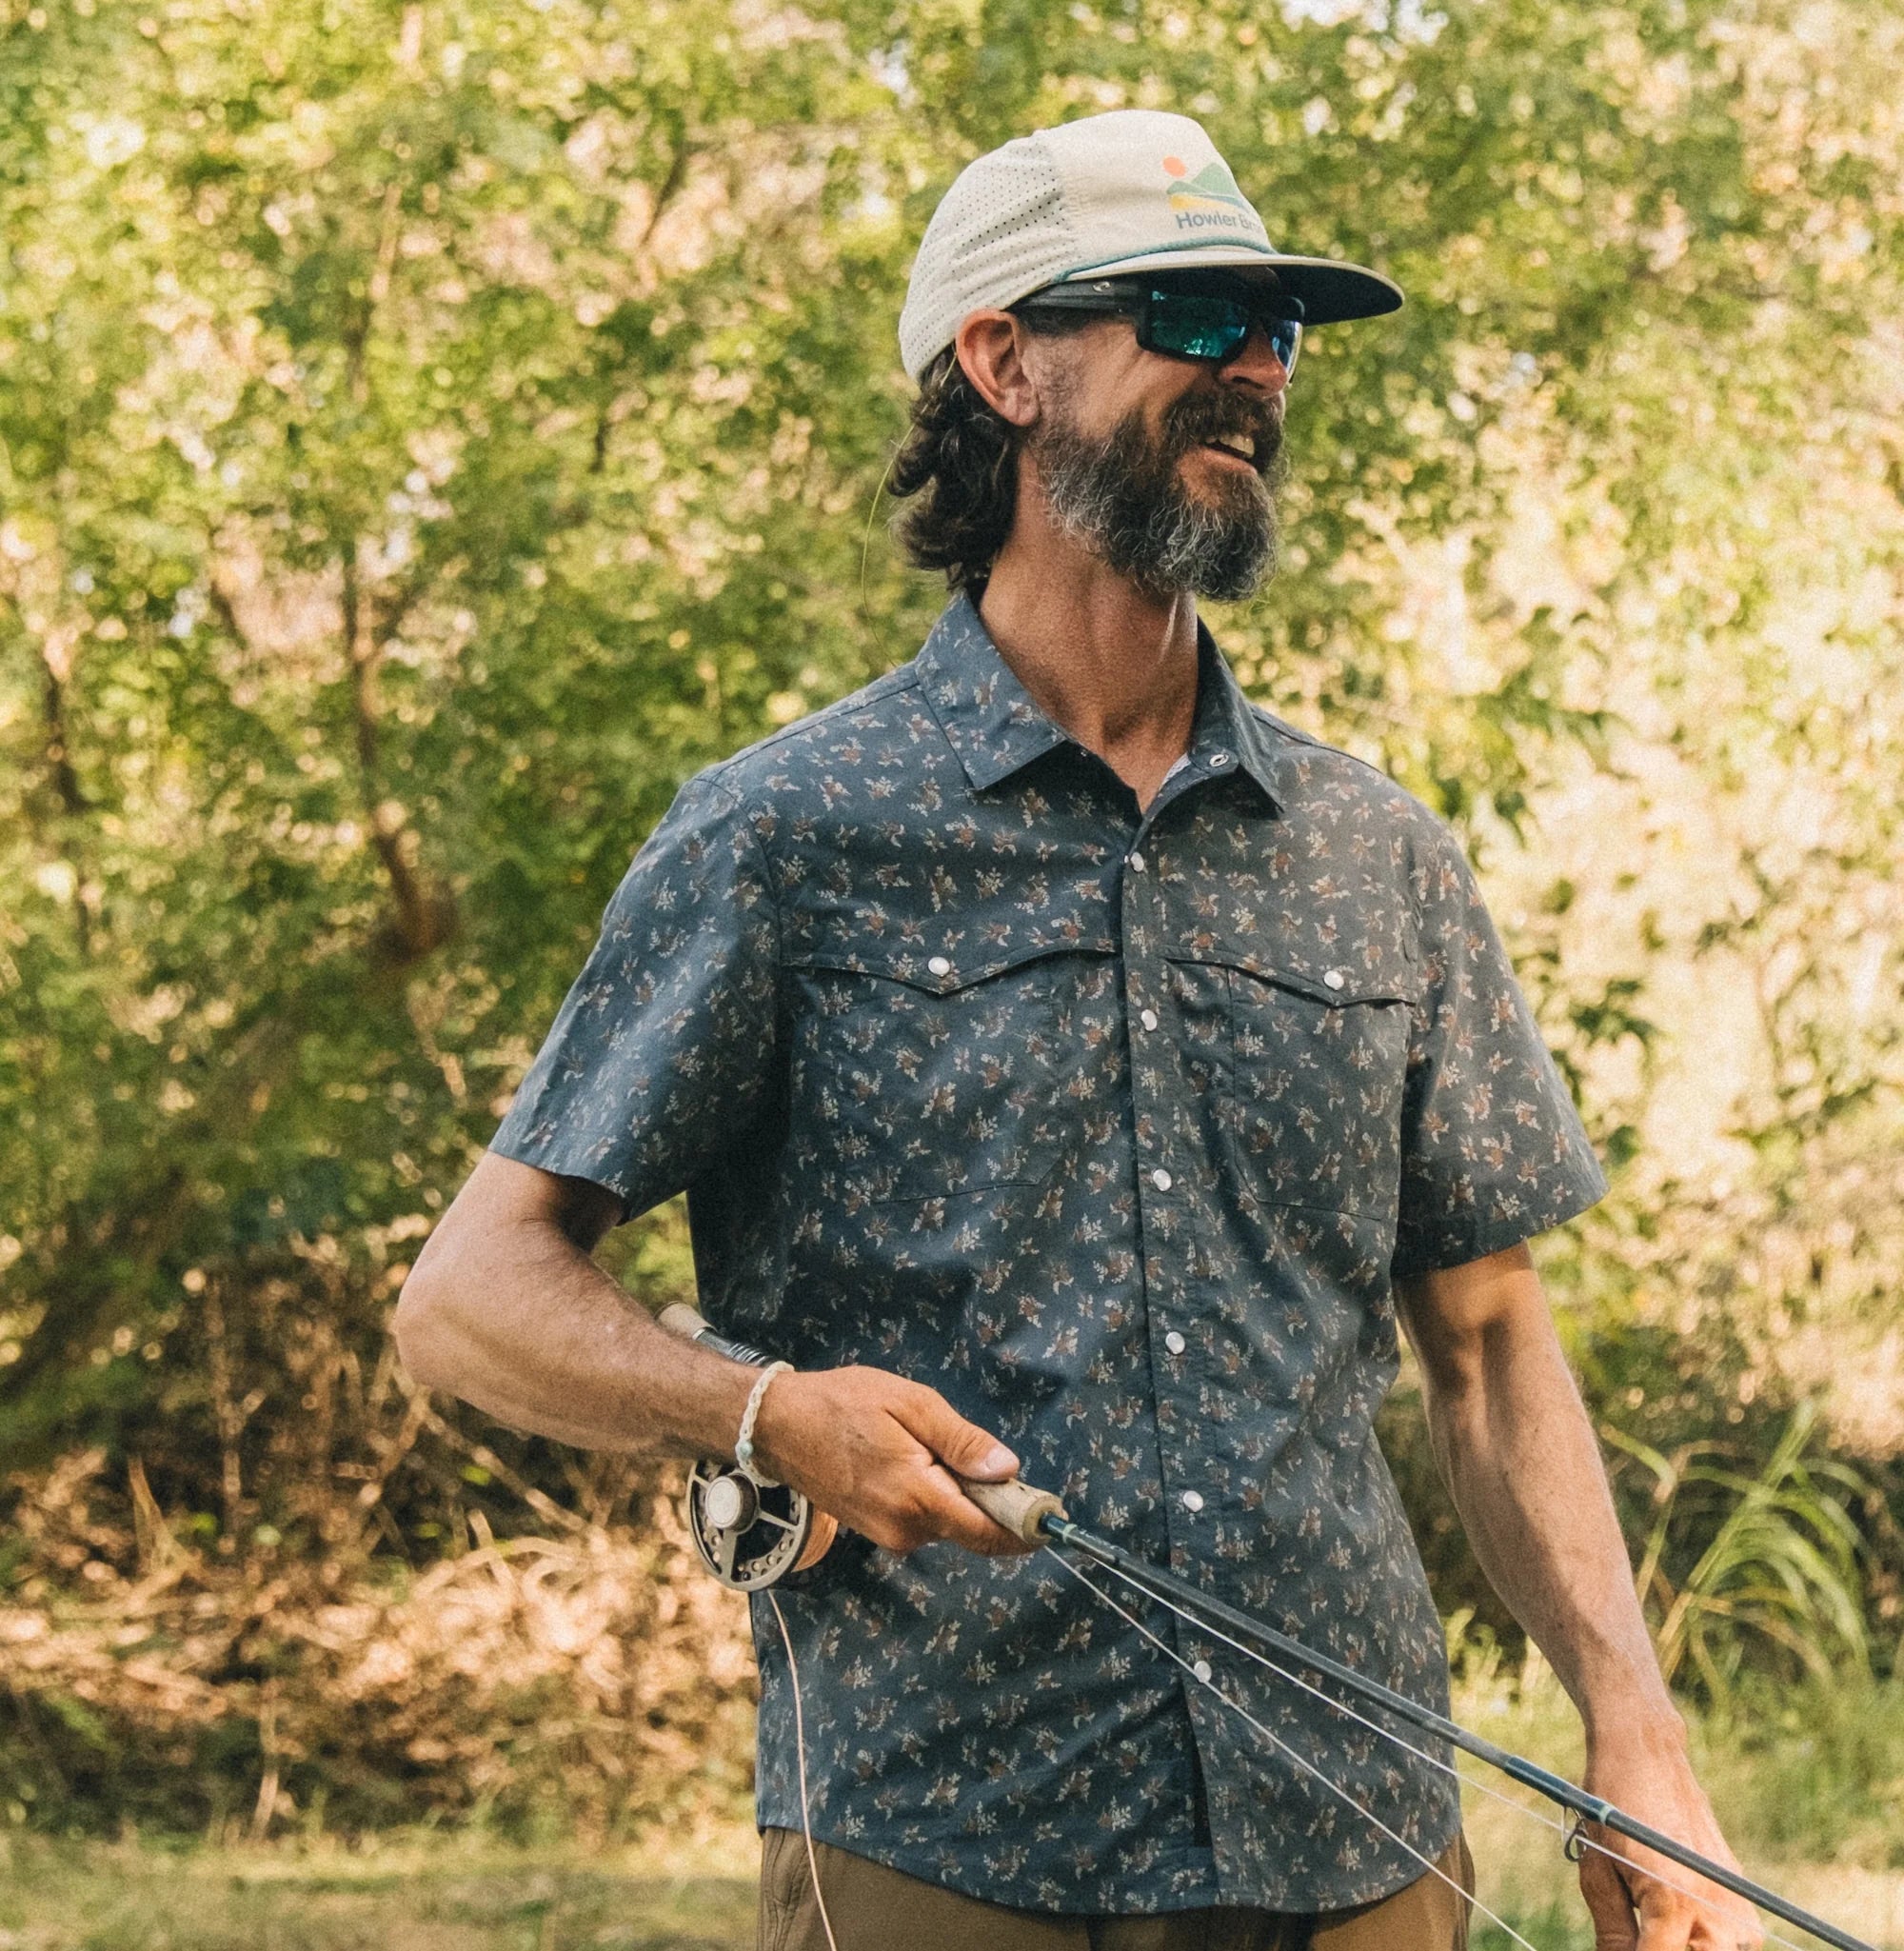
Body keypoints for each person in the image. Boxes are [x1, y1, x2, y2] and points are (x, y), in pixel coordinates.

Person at [395, 110, 1758, 1951]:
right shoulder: (787, 832)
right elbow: (466, 1293)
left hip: (1352, 1830)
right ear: (1002, 361)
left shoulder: (1376, 855)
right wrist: (766, 1410)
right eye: (1190, 313)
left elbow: (1495, 1348)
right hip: (939, 1826)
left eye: (1275, 329)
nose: (1253, 368)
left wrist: (1638, 1733)